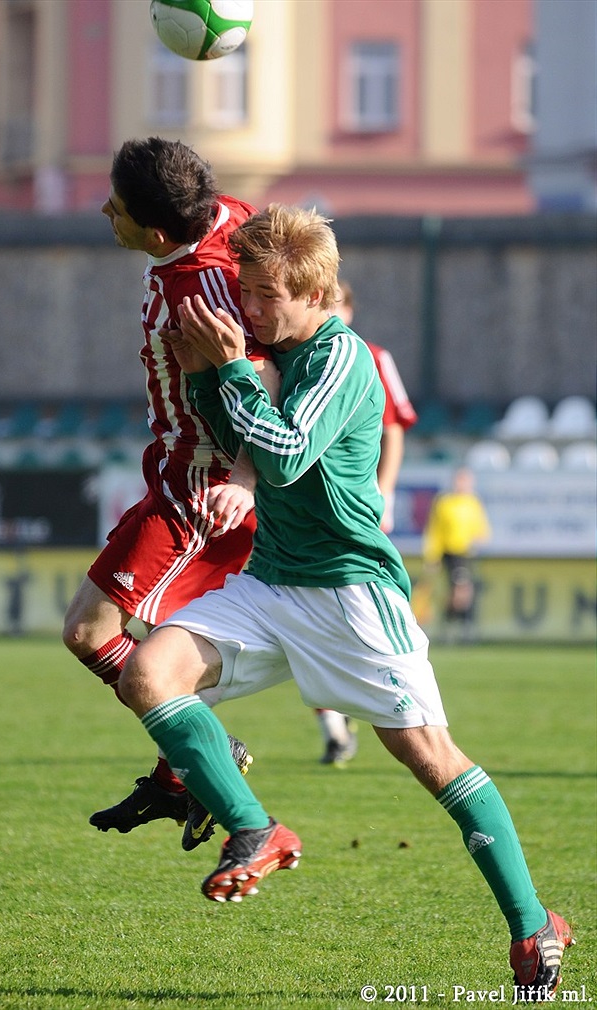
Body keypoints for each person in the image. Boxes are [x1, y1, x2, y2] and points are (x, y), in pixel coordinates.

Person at [115, 204, 573, 995]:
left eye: (265, 295)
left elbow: (286, 456)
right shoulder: (271, 350)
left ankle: (534, 924)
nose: (249, 308)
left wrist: (227, 370)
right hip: (270, 580)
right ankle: (255, 827)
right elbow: (240, 441)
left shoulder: (340, 356)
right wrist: (206, 374)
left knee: (430, 758)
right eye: (244, 291)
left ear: (316, 293)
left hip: (351, 592)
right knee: (147, 674)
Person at [62, 137, 279, 850]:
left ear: (156, 232)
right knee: (127, 643)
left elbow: (265, 380)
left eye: (116, 208)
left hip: (200, 488)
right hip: (175, 473)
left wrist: (242, 478)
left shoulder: (202, 290)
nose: (105, 212)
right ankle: (180, 769)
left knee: (95, 634)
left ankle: (204, 762)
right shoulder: (225, 216)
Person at [316, 281, 419, 765]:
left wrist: (385, 491)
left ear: (351, 310)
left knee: (358, 614)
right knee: (310, 616)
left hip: (359, 508)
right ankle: (334, 727)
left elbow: (393, 427)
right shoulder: (292, 355)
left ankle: (394, 699)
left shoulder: (374, 357)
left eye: (337, 303)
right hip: (309, 510)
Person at [421, 467, 491, 641]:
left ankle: (456, 627)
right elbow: (434, 531)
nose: (463, 484)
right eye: (460, 480)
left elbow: (482, 529)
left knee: (463, 591)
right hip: (450, 553)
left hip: (466, 553)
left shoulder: (473, 502)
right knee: (459, 591)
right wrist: (432, 556)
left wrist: (478, 538)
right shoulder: (445, 503)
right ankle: (454, 627)